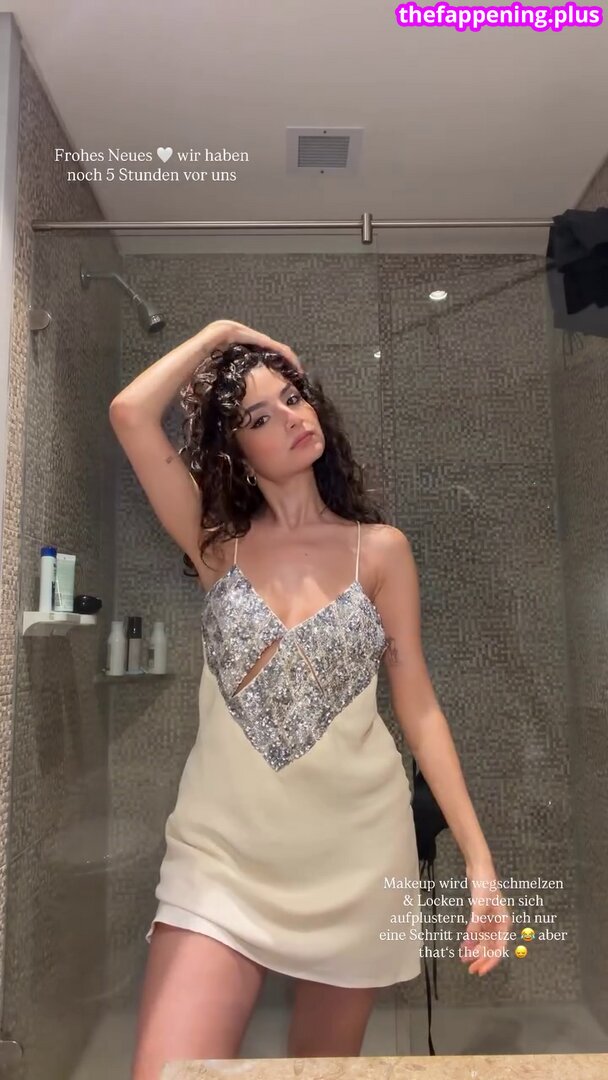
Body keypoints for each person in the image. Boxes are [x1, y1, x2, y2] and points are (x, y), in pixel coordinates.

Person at [109, 320, 511, 1079]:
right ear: (234, 449)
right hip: (220, 860)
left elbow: (419, 707)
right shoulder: (215, 542)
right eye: (259, 416)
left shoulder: (380, 550)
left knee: (318, 1073)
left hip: (356, 856)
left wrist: (479, 857)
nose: (292, 418)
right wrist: (224, 333)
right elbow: (130, 413)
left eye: (293, 398)